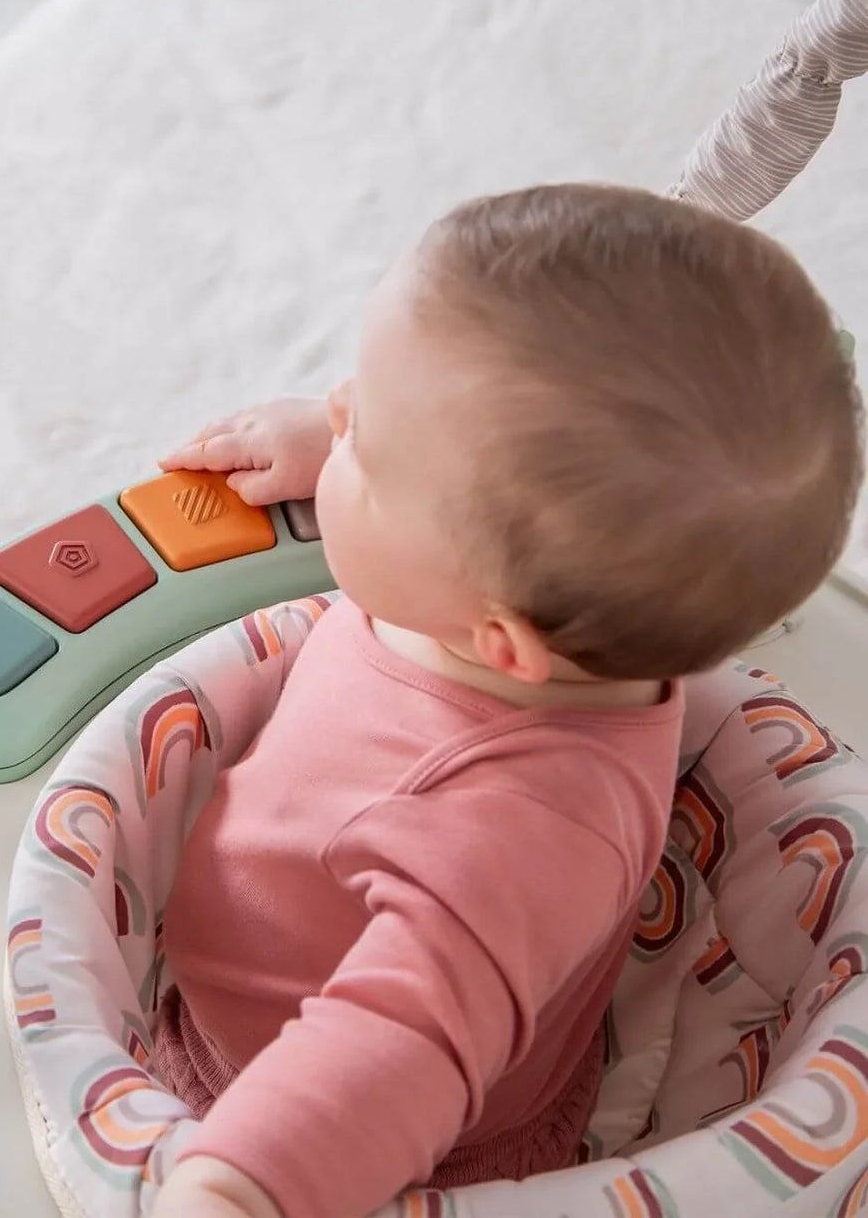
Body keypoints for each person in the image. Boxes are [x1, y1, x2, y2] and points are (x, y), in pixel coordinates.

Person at [146, 184, 863, 1218]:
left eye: (368, 444)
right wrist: (335, 442)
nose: (336, 402)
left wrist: (233, 1185)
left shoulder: (522, 823)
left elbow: (397, 1043)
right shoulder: (522, 606)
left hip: (301, 1108)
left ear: (496, 639)